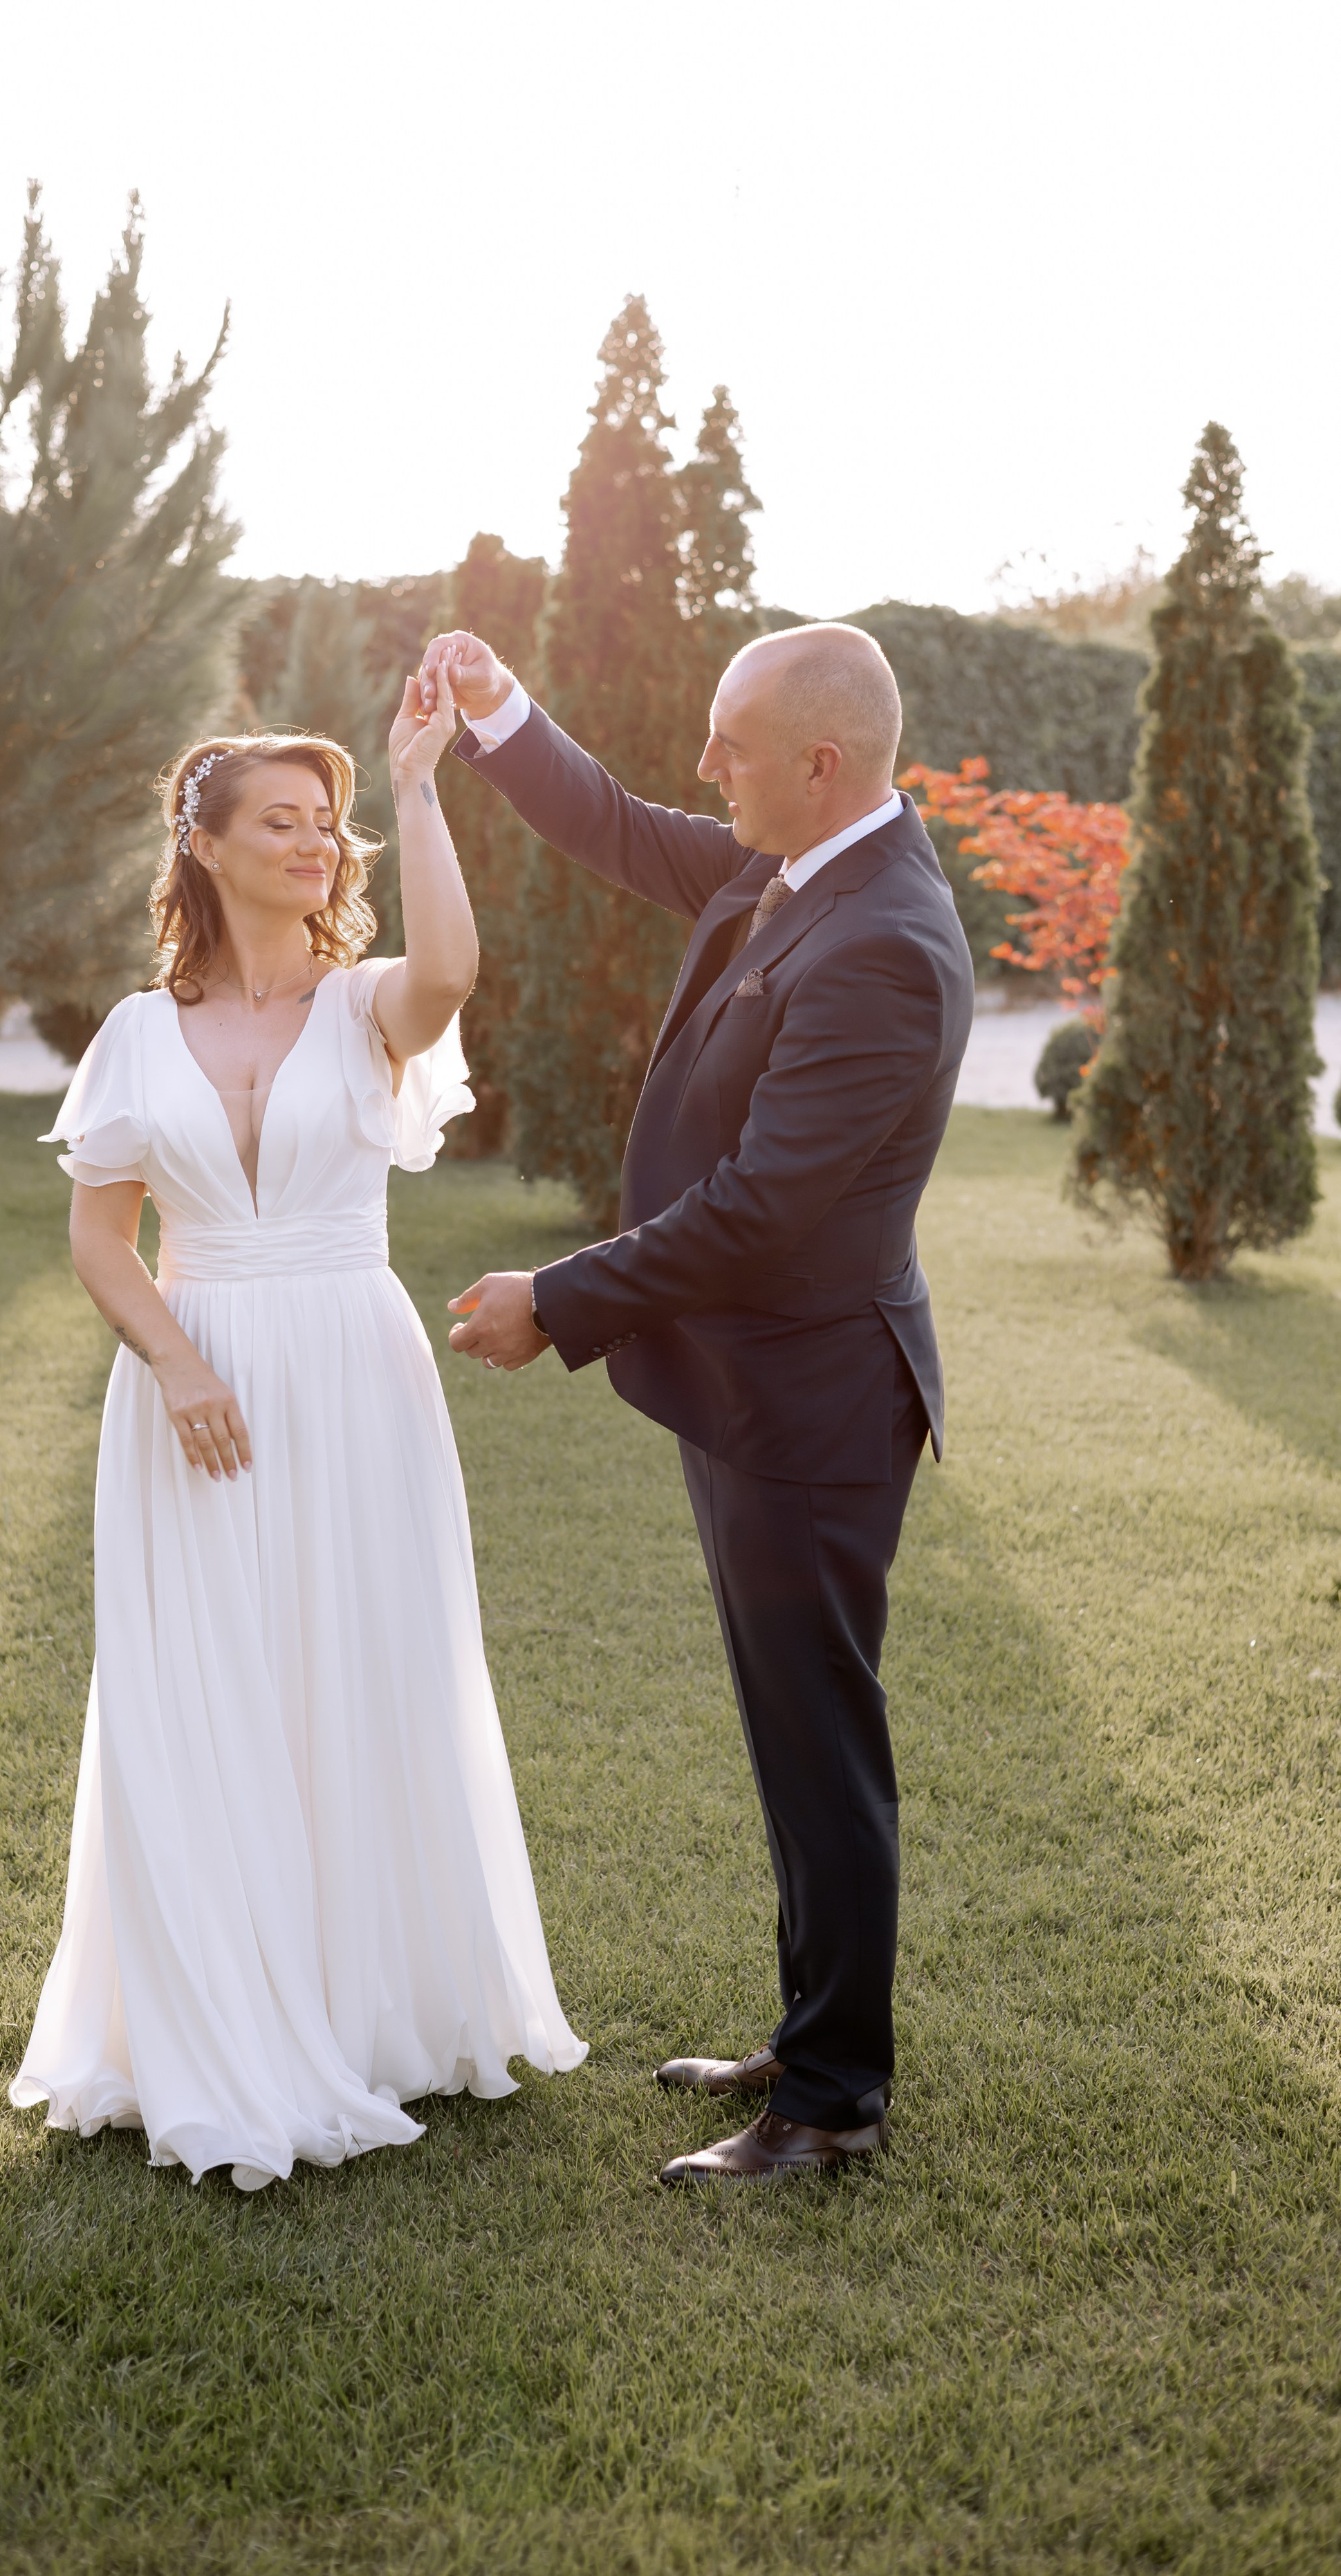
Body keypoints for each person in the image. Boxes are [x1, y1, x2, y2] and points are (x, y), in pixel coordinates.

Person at [10, 663, 586, 2191]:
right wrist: (176, 1363)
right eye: (284, 821)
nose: (314, 847)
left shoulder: (363, 1004)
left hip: (352, 1370)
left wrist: (414, 785)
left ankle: (368, 2008)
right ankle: (211, 2014)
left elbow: (453, 971)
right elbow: (98, 1241)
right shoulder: (136, 1033)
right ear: (204, 844)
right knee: (201, 1691)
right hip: (191, 1394)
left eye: (328, 826)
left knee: (361, 1666)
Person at [420, 620, 973, 2187]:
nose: (701, 767)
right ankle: (808, 2036)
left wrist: (559, 1301)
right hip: (755, 1397)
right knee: (786, 1736)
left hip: (815, 1410)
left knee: (819, 1747)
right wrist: (497, 709)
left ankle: (830, 2103)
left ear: (818, 760)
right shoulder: (789, 863)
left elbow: (763, 1209)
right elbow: (616, 823)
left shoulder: (882, 939)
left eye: (728, 743)